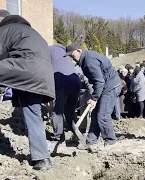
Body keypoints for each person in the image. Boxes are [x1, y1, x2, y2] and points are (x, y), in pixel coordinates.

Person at [0, 14, 55, 170]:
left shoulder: (7, 29)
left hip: (25, 69)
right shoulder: (34, 34)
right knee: (33, 116)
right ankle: (42, 159)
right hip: (42, 77)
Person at [64, 42, 122, 152]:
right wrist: (94, 96)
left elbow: (99, 81)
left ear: (79, 51)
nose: (72, 58)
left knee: (103, 115)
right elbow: (96, 81)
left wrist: (94, 98)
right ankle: (91, 141)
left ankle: (110, 140)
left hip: (110, 86)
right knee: (95, 114)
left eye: (72, 55)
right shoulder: (86, 59)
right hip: (104, 86)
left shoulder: (89, 61)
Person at [49, 44, 81, 142]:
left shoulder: (47, 50)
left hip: (61, 81)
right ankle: (76, 133)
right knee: (69, 110)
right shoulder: (65, 53)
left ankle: (58, 135)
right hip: (76, 81)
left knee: (57, 110)